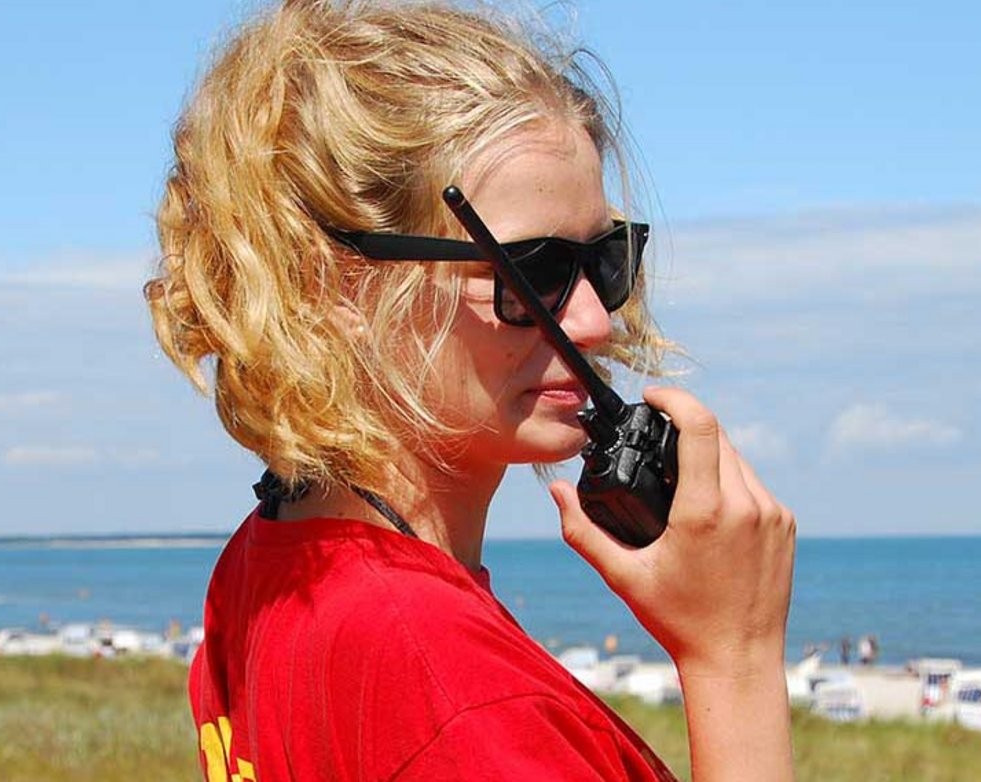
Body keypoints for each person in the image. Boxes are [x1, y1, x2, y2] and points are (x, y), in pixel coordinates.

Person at [146, 2, 798, 779]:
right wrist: (736, 657)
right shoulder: (464, 703)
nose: (594, 321)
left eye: (606, 260)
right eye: (532, 273)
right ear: (335, 289)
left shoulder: (265, 566)